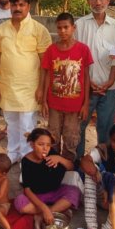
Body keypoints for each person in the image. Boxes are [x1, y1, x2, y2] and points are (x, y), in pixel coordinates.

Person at [0, 0, 52, 163]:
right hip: (7, 85)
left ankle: (27, 158)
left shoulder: (39, 30)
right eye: (14, 4)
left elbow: (45, 64)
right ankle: (13, 153)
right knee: (11, 122)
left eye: (21, 4)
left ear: (28, 6)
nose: (17, 8)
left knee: (27, 125)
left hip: (30, 88)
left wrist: (42, 88)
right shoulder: (1, 29)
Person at [74, 0, 115, 158]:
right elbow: (76, 58)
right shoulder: (79, 25)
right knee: (79, 126)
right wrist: (88, 81)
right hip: (85, 87)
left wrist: (110, 81)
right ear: (88, 1)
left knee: (106, 128)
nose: (98, 2)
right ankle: (78, 164)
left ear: (107, 0)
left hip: (108, 87)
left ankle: (102, 163)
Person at [40, 12, 93, 161]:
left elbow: (86, 77)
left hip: (75, 107)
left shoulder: (83, 49)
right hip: (54, 105)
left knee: (71, 140)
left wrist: (86, 103)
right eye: (59, 28)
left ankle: (68, 170)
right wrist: (44, 100)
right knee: (53, 138)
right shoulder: (51, 50)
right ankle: (53, 168)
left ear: (73, 28)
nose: (62, 31)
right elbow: (48, 75)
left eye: (66, 27)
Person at [14, 128, 81, 229]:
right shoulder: (26, 161)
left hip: (56, 192)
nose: (45, 149)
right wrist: (44, 208)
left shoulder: (53, 154)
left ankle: (40, 216)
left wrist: (60, 159)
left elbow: (71, 167)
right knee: (20, 202)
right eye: (41, 144)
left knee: (74, 193)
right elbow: (27, 190)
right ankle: (57, 210)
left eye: (48, 145)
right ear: (32, 145)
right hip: (37, 196)